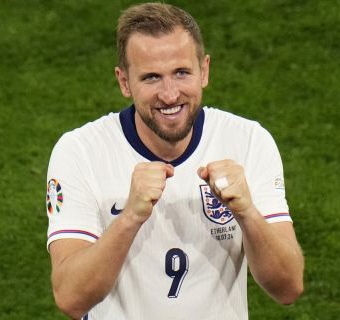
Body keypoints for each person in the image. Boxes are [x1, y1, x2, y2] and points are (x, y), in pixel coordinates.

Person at [46, 2, 304, 319]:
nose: (170, 95)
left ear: (204, 70)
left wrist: (247, 212)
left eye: (181, 73)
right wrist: (129, 218)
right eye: (151, 77)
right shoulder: (80, 152)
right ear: (124, 82)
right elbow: (70, 298)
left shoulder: (249, 142)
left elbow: (288, 287)